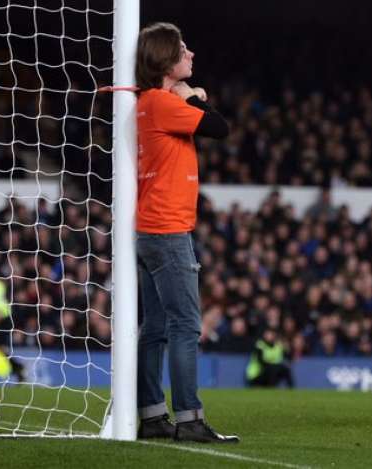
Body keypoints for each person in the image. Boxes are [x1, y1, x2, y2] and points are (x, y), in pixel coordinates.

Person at [133, 22, 238, 443]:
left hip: (151, 229)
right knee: (185, 326)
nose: (191, 54)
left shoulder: (149, 102)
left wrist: (188, 97)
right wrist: (192, 96)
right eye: (183, 49)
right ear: (166, 59)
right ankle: (190, 418)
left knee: (157, 326)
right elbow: (220, 127)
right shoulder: (164, 102)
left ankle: (154, 414)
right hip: (169, 229)